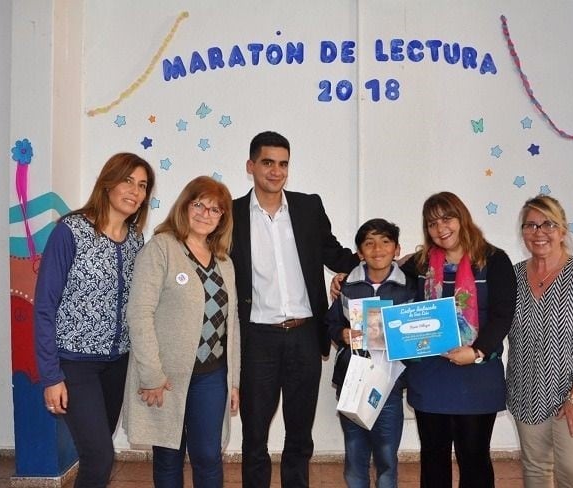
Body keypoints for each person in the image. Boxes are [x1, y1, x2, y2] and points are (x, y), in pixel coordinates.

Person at [230, 131, 360, 488]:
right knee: (254, 436)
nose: (276, 171)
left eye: (283, 163)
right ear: (250, 166)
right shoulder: (231, 214)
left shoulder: (307, 208)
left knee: (300, 435)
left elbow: (335, 254)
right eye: (267, 163)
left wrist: (379, 262)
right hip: (257, 339)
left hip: (304, 335)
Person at [34, 152, 155, 488]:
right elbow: (44, 306)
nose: (135, 191)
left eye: (142, 185)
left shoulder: (135, 240)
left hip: (118, 364)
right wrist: (50, 376)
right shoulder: (69, 232)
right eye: (128, 180)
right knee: (99, 456)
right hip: (75, 365)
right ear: (108, 182)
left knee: (96, 457)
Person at [123, 176, 240, 488]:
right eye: (199, 204)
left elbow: (233, 325)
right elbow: (139, 314)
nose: (205, 214)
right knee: (168, 457)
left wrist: (234, 382)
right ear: (185, 205)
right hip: (166, 378)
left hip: (212, 376)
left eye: (215, 210)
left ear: (222, 218)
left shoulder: (224, 261)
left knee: (208, 456)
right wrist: (151, 375)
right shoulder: (161, 249)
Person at [401, 191, 516, 488]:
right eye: (432, 223)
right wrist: (344, 281)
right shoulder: (418, 264)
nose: (441, 229)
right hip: (430, 376)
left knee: (475, 459)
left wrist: (476, 351)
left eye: (447, 218)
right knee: (433, 459)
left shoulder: (494, 260)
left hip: (477, 376)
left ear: (462, 217)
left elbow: (503, 316)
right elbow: (381, 276)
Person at [506, 195, 573, 488]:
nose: (539, 232)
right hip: (526, 392)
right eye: (530, 225)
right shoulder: (512, 277)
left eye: (548, 224)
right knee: (535, 471)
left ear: (563, 230)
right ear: (523, 232)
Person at [325, 218, 417, 488]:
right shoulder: (347, 287)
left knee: (387, 454)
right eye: (369, 243)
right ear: (360, 252)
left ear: (397, 250)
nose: (378, 249)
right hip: (352, 382)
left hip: (389, 384)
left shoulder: (409, 288)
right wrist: (341, 334)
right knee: (355, 453)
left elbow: (418, 331)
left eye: (385, 242)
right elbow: (331, 323)